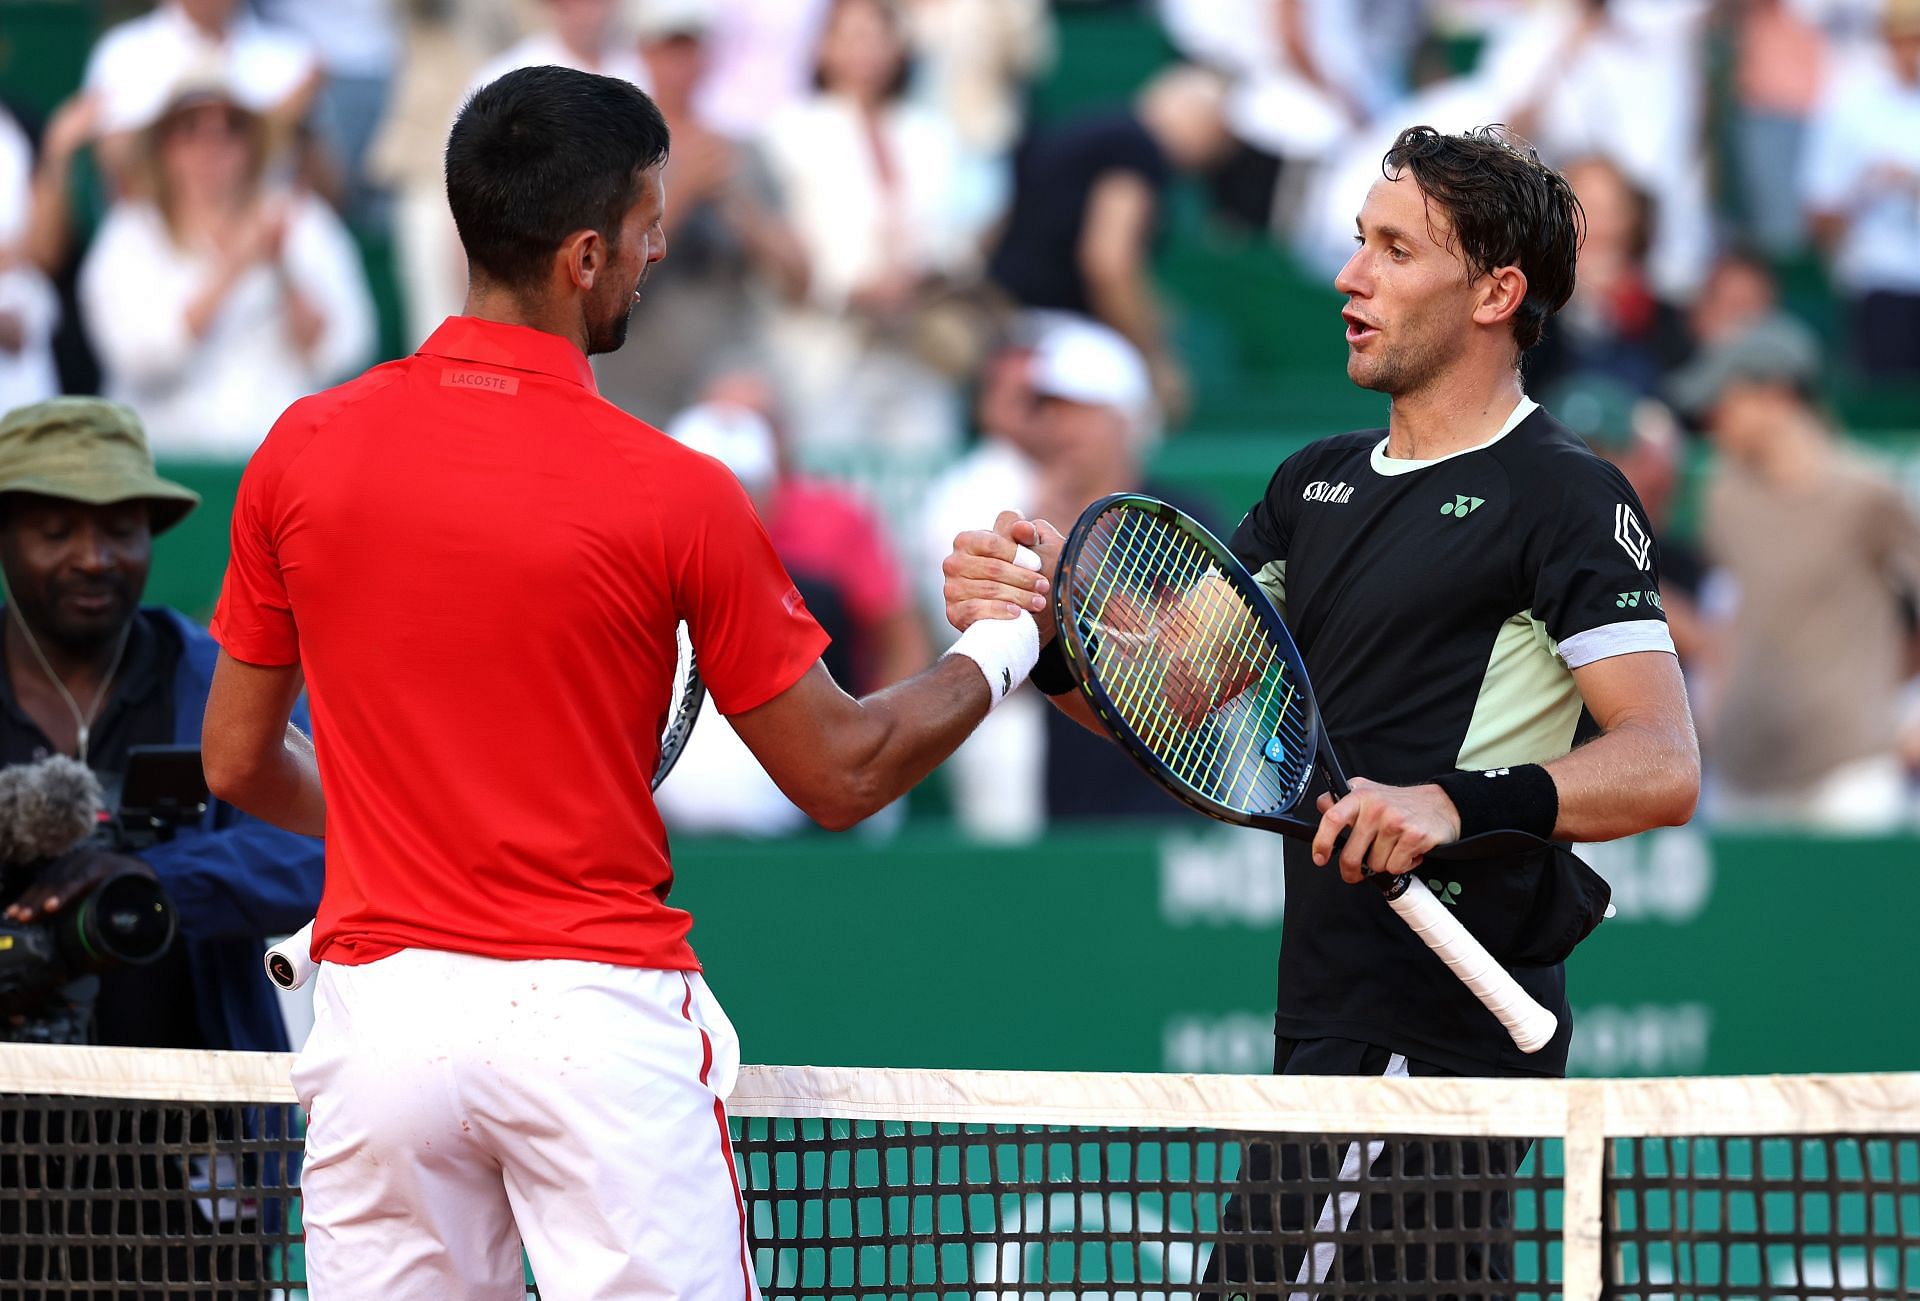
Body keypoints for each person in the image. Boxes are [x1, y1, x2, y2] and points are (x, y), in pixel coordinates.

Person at [200, 65, 1047, 1298]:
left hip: (378, 1028)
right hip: (589, 1030)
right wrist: (1004, 645)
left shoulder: (300, 450)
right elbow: (843, 769)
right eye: (650, 225)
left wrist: (425, 828)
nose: (660, 249)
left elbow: (236, 759)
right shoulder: (677, 491)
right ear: (584, 256)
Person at [947, 125, 1700, 1295]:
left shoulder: (1564, 492)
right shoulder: (1313, 482)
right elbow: (1169, 696)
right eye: (1359, 243)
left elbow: (1661, 762)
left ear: (1497, 291)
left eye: (1396, 250)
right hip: (1329, 1020)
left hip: (1433, 1024)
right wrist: (1049, 630)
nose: (1350, 277)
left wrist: (1450, 804)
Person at [0, 396, 324, 1292]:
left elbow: (327, 846)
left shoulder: (214, 679)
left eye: (122, 528)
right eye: (56, 529)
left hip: (186, 1158)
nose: (94, 557)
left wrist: (146, 880)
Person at [1671, 315, 1920, 830]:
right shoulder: (1723, 496)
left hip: (1849, 774)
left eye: (1727, 401)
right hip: (1744, 772)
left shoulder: (1866, 494)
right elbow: (1733, 610)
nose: (1714, 420)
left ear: (1777, 396)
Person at [78, 80, 376, 459]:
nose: (211, 147)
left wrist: (282, 268)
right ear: (164, 148)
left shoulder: (303, 220)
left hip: (280, 464)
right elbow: (140, 361)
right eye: (190, 130)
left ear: (253, 146)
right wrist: (233, 269)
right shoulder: (128, 233)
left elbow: (345, 350)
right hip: (165, 468)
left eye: (231, 129)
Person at [987, 64, 1237, 424]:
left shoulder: (1094, 128)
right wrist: (1155, 360)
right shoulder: (1136, 145)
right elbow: (1107, 263)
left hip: (1015, 326)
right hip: (1056, 336)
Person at [1801, 0, 1920, 377]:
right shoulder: (1850, 105)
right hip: (1878, 281)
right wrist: (1867, 188)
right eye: (1906, 40)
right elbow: (1818, 216)